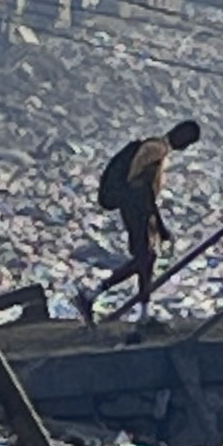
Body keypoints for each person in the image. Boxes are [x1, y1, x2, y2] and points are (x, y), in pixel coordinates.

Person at [83, 118, 201, 327]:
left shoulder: (157, 150)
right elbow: (142, 187)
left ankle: (141, 311)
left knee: (146, 259)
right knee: (144, 258)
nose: (186, 146)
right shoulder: (155, 150)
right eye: (188, 140)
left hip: (139, 208)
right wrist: (159, 224)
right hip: (136, 208)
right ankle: (94, 294)